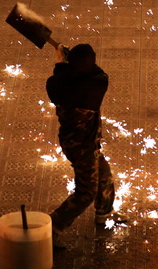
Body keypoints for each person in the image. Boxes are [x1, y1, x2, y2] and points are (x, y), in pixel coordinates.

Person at [46, 42, 117, 245]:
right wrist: (68, 61)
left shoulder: (57, 85)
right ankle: (52, 227)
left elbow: (60, 77)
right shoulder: (97, 84)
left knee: (104, 174)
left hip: (72, 140)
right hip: (84, 147)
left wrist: (62, 62)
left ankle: (104, 212)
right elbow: (97, 72)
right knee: (86, 192)